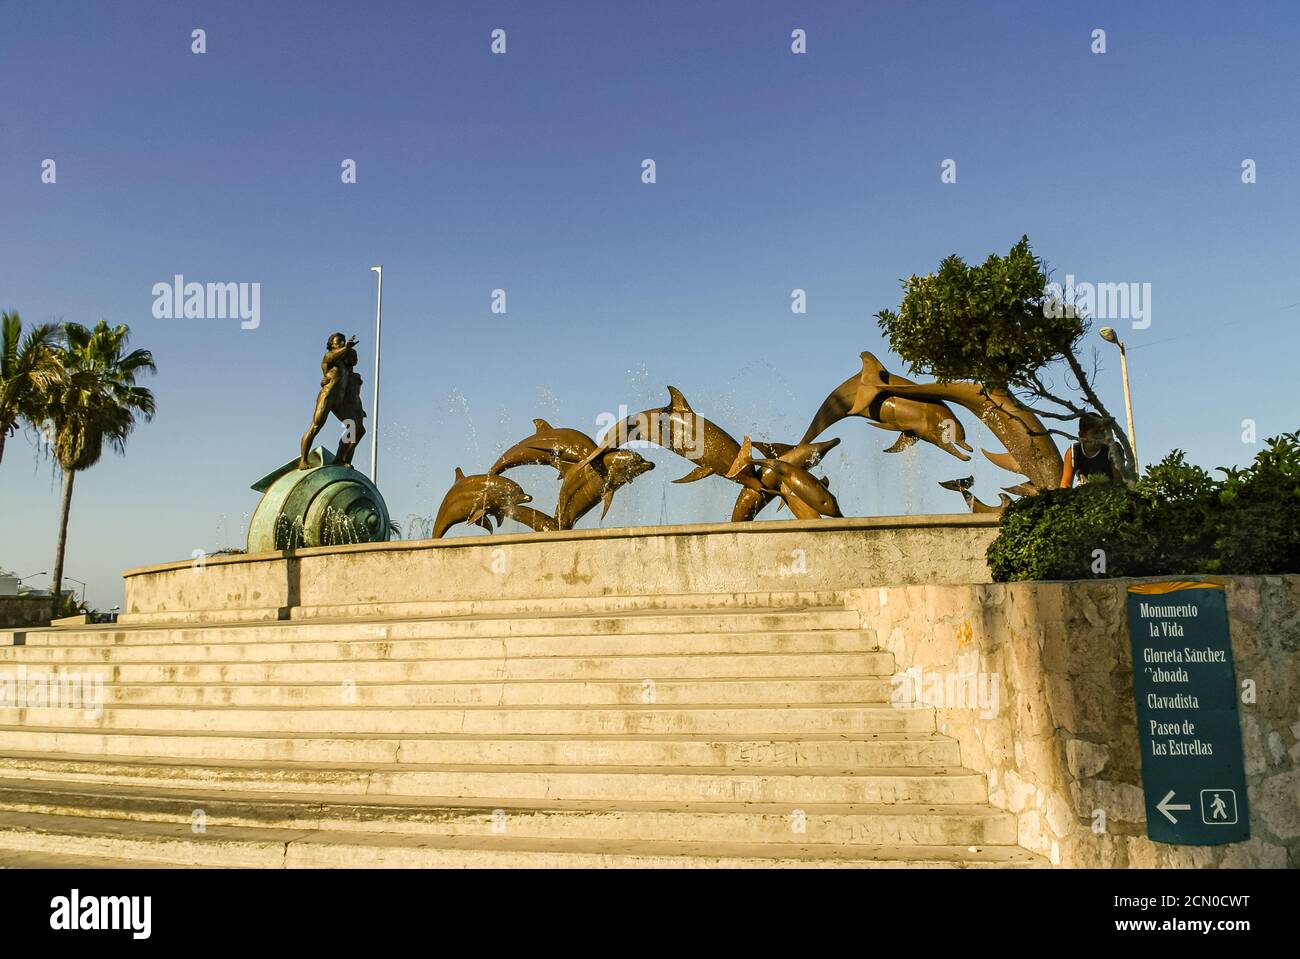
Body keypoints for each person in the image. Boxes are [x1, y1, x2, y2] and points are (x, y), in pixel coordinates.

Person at [298, 333, 366, 469]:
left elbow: (352, 392)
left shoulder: (346, 370)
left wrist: (359, 408)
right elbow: (334, 356)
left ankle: (340, 458)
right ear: (331, 345)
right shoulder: (329, 358)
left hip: (339, 401)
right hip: (327, 397)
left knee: (355, 428)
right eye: (337, 342)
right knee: (316, 426)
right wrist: (346, 348)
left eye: (342, 341)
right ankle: (303, 460)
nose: (341, 343)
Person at [1059, 412, 1124, 487]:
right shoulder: (1073, 452)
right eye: (1095, 432)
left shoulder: (1112, 450)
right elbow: (1065, 484)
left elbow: (1119, 482)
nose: (1100, 436)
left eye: (1102, 432)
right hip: (1082, 494)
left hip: (1108, 493)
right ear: (1082, 435)